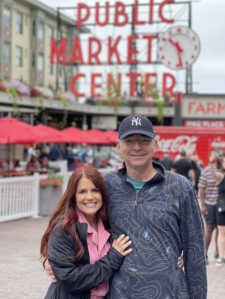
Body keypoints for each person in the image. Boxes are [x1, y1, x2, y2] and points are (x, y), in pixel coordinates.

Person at [46, 115, 207, 298]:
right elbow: (70, 218)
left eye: (144, 141)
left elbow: (195, 251)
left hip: (169, 292)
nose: (137, 147)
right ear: (118, 147)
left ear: (155, 145)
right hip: (118, 294)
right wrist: (53, 261)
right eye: (129, 141)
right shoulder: (105, 186)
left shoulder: (180, 187)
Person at [40, 165, 133, 299]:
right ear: (73, 196)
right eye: (82, 191)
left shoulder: (110, 226)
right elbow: (68, 279)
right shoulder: (64, 229)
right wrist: (112, 260)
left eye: (95, 190)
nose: (89, 197)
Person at [198, 159, 219, 264]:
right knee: (210, 228)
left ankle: (218, 252)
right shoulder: (206, 171)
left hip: (221, 205)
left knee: (220, 230)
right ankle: (204, 254)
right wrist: (203, 205)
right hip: (210, 204)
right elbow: (201, 188)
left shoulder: (222, 171)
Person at [209, 151, 225, 267]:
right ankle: (221, 256)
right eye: (224, 161)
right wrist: (211, 161)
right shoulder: (220, 176)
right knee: (222, 232)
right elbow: (213, 173)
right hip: (222, 207)